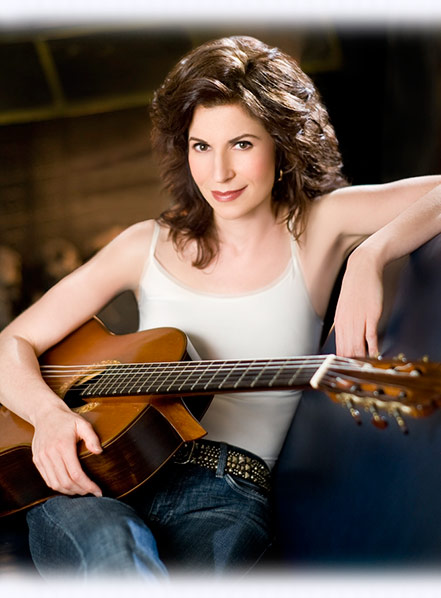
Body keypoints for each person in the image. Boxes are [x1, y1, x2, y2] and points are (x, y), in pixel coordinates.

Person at [0, 35, 440, 579]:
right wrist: (48, 417)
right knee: (112, 551)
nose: (219, 173)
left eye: (242, 144)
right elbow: (11, 343)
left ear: (281, 144)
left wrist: (371, 255)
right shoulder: (146, 244)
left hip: (227, 491)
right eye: (201, 146)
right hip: (94, 479)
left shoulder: (319, 227)